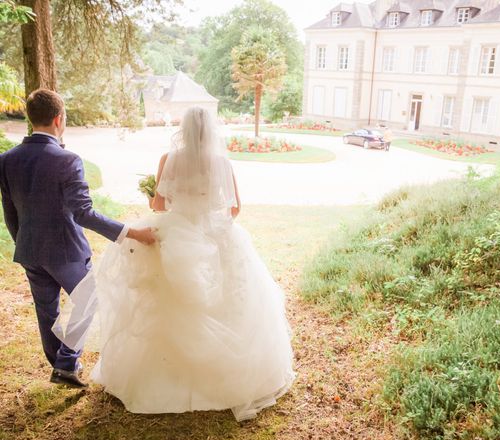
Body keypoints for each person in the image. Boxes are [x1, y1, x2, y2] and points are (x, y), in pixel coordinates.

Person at [59, 107, 295, 421]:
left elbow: (159, 204)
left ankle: (163, 378)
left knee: (163, 303)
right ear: (210, 131)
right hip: (213, 233)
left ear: (183, 129)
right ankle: (223, 375)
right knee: (231, 300)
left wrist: (159, 201)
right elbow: (235, 208)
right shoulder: (221, 163)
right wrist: (209, 224)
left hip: (176, 235)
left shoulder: (169, 159)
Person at [0, 89, 156, 389]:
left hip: (29, 250)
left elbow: (10, 212)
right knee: (88, 301)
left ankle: (60, 364)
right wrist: (132, 233)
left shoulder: (6, 160)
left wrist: (24, 242)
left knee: (46, 309)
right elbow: (83, 213)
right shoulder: (68, 160)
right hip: (65, 251)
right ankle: (66, 363)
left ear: (32, 119)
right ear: (59, 119)